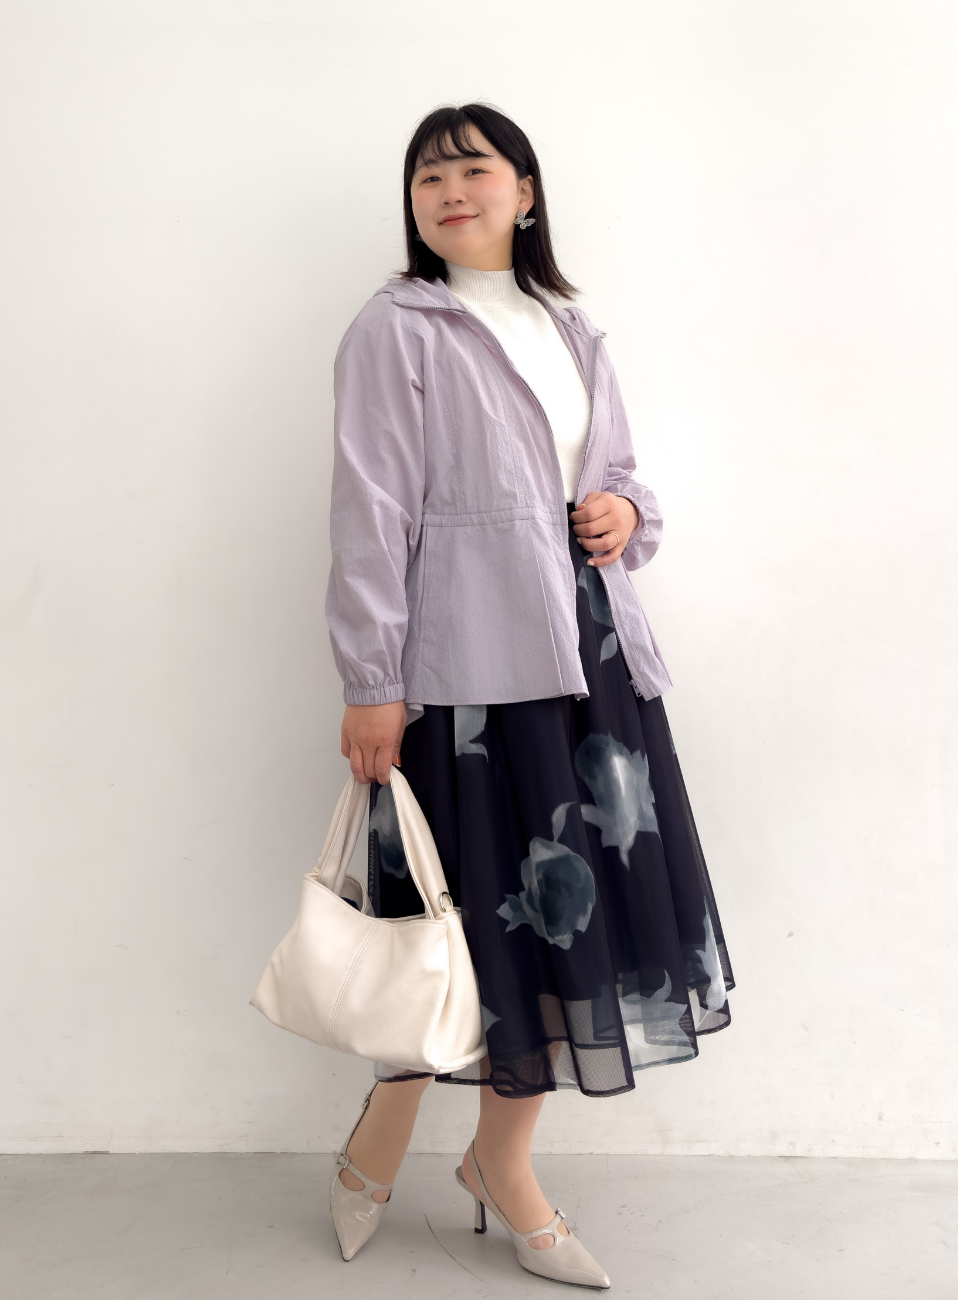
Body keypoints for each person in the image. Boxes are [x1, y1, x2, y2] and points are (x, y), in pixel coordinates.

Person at [323, 102, 735, 1288]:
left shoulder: (571, 325)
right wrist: (371, 679)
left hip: (590, 658)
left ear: (525, 190)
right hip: (464, 670)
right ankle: (385, 1126)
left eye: (473, 169)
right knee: (453, 919)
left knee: (569, 925)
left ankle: (499, 1162)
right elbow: (370, 512)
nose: (449, 191)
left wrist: (624, 512)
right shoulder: (395, 328)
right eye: (427, 177)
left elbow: (618, 477)